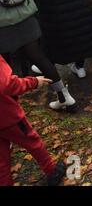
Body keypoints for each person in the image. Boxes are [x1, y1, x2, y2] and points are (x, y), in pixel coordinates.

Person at [0, 55, 66, 186]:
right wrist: (33, 82)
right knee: (32, 141)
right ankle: (52, 170)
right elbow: (6, 84)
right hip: (7, 116)